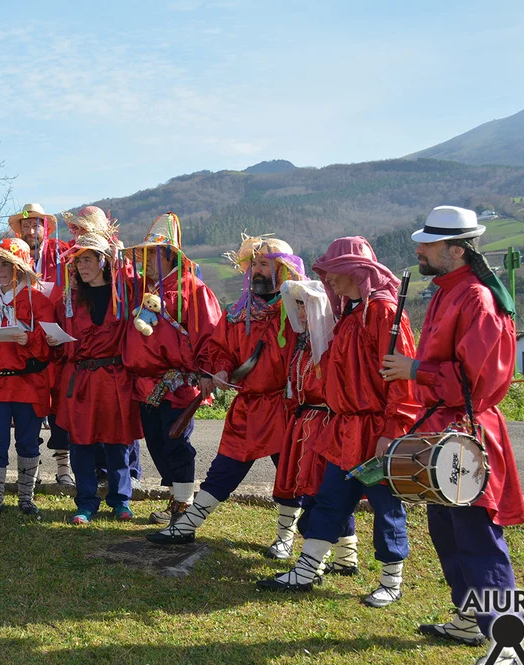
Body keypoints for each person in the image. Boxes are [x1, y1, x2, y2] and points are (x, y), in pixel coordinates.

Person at [382, 206, 524, 665]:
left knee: (477, 536)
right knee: (446, 529)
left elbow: (479, 382)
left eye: (428, 244)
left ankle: (506, 646)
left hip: (466, 431)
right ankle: (469, 618)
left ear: (457, 250)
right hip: (442, 428)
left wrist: (415, 370)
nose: (419, 249)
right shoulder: (449, 291)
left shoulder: (477, 299)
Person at [257, 236, 419, 608]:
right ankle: (307, 570)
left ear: (355, 271)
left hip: (376, 431)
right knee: (329, 498)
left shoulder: (383, 312)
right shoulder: (350, 314)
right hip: (344, 429)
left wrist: (393, 431)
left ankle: (391, 582)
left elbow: (402, 381)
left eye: (333, 271)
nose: (327, 279)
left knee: (386, 505)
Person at [147, 233, 301, 541]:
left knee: (290, 476)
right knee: (223, 469)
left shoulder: (298, 311)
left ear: (283, 270)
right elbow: (222, 349)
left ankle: (285, 539)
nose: (256, 270)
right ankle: (186, 526)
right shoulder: (237, 313)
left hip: (286, 408)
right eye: (253, 265)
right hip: (248, 406)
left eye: (264, 264)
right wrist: (220, 369)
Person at [120, 213, 221, 525]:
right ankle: (177, 497)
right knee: (156, 441)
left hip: (178, 382)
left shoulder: (194, 289)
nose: (144, 261)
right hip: (146, 383)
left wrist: (207, 372)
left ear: (167, 255)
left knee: (176, 441)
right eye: (143, 255)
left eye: (150, 254)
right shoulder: (145, 288)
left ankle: (183, 504)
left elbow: (210, 332)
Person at [267, 280, 357, 575]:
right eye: (298, 307)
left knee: (324, 492)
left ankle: (329, 559)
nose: (301, 313)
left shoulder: (331, 345)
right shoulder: (304, 343)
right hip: (303, 423)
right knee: (311, 489)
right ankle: (345, 559)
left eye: (306, 306)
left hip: (325, 426)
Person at [53, 230, 141, 523]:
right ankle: (86, 502)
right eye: (78, 262)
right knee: (81, 444)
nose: (82, 266)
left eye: (88, 260)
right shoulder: (70, 299)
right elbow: (59, 335)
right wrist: (55, 341)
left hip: (116, 378)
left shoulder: (124, 294)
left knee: (118, 443)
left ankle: (120, 500)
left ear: (104, 261)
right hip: (82, 379)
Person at [0, 237, 56, 525]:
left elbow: (50, 344)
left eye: (5, 264)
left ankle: (26, 498)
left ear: (19, 269)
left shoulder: (38, 300)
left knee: (28, 442)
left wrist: (29, 339)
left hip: (28, 383)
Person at [9, 203, 74, 486]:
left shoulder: (61, 252)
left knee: (60, 409)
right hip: (24, 344)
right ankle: (30, 469)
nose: (30, 230)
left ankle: (63, 468)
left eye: (36, 225)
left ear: (45, 228)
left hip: (58, 341)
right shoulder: (12, 255)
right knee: (28, 410)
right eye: (25, 226)